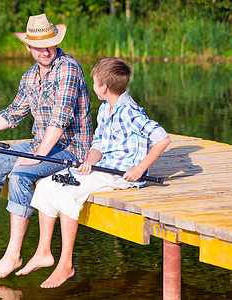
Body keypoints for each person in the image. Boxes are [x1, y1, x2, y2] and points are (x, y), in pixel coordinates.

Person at [0, 13, 93, 279]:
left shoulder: (68, 69)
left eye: (50, 43)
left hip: (72, 149)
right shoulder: (29, 78)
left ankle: (14, 255)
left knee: (21, 174)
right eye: (38, 46)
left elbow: (59, 123)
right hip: (42, 143)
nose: (45, 50)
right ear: (28, 47)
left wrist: (36, 157)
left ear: (56, 42)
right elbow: (11, 114)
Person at [16, 57, 171, 288]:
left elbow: (162, 138)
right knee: (47, 184)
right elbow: (98, 144)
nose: (93, 86)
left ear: (103, 87)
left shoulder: (128, 111)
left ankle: (66, 264)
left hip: (119, 174)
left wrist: (139, 168)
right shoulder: (105, 109)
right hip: (100, 167)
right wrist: (88, 161)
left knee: (67, 194)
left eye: (95, 82)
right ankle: (43, 252)